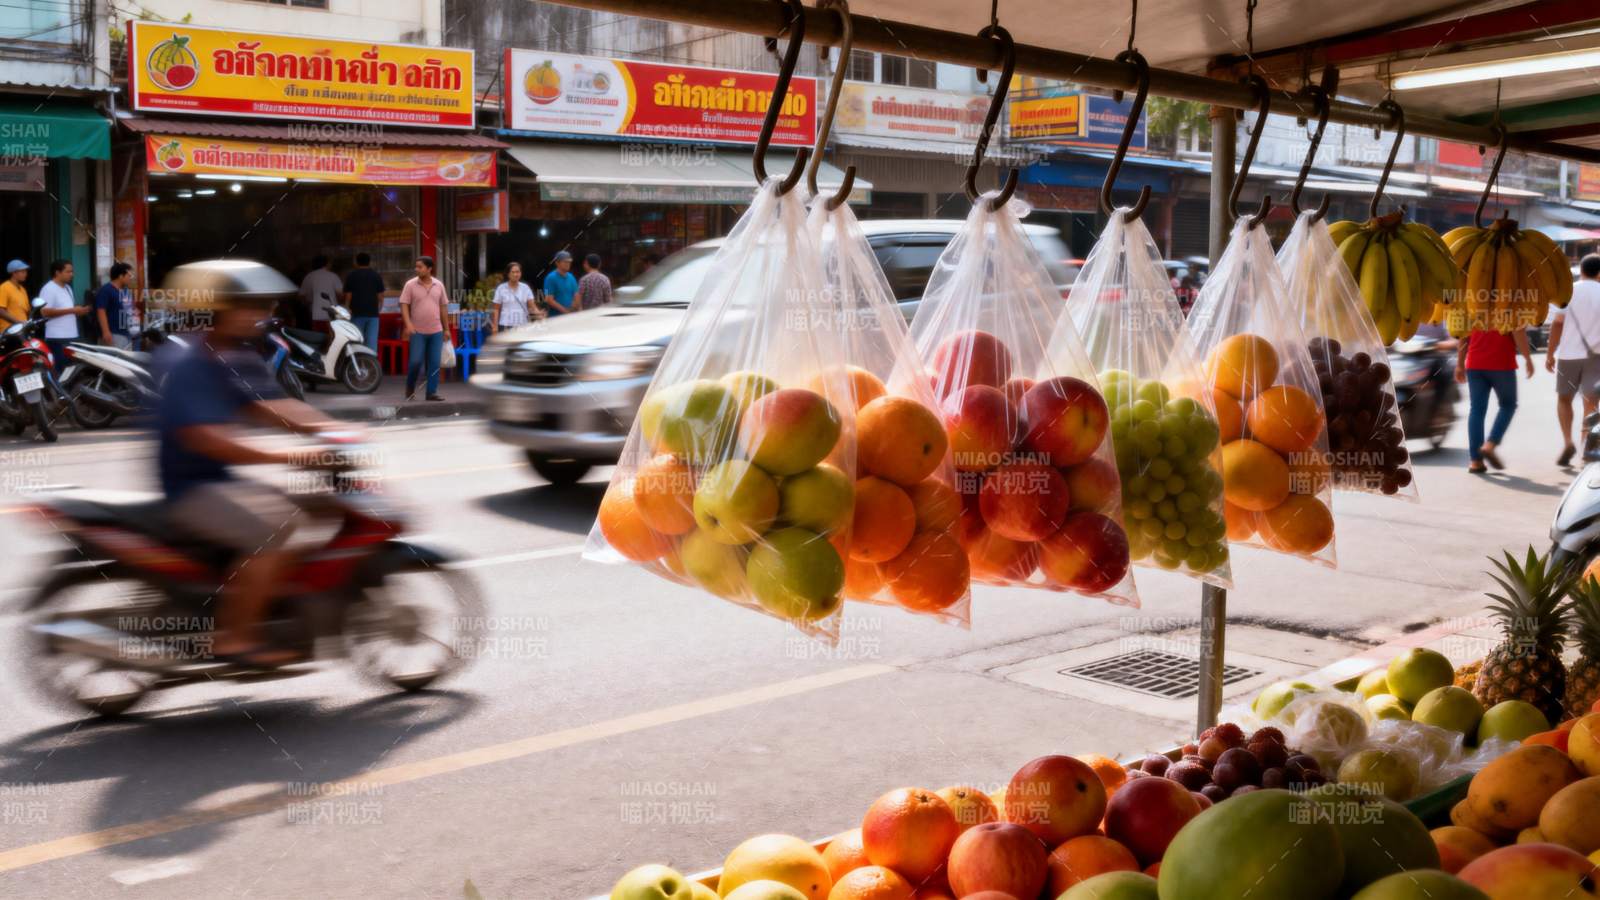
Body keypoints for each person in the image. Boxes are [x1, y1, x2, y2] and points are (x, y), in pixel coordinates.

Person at [156, 267, 344, 666]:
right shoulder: (191, 361)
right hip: (191, 489)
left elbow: (272, 408)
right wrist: (291, 456)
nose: (258, 313)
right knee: (276, 528)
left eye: (261, 305)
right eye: (248, 306)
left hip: (219, 481)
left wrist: (334, 429)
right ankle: (235, 638)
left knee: (310, 506)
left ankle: (272, 605)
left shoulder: (237, 354)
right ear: (221, 310)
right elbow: (207, 439)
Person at [1456, 326, 1535, 474]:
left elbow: (1463, 335)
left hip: (1475, 363)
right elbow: (1518, 331)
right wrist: (1528, 358)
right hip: (1502, 363)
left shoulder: (1471, 304)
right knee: (1508, 405)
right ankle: (1490, 445)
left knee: (1477, 410)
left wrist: (1460, 364)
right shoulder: (1510, 304)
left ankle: (1475, 461)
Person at [400, 256, 450, 402]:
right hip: (417, 331)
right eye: (416, 267)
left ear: (429, 269)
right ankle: (410, 387)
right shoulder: (410, 285)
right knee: (415, 361)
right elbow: (404, 304)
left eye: (420, 267)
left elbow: (443, 307)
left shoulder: (439, 285)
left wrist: (446, 329)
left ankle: (431, 393)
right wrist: (408, 324)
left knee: (434, 363)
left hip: (436, 330)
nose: (417, 269)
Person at [39, 260, 87, 367]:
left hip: (72, 335)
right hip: (57, 338)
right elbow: (45, 312)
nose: (72, 274)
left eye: (72, 272)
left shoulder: (68, 288)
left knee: (72, 370)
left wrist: (79, 311)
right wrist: (72, 310)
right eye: (68, 272)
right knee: (61, 370)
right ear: (57, 273)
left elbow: (68, 310)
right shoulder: (48, 289)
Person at [342, 252, 386, 348]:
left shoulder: (351, 275)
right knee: (372, 342)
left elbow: (348, 295)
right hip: (373, 314)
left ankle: (358, 362)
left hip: (357, 313)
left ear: (356, 263)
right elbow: (380, 296)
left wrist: (347, 307)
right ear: (369, 262)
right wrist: (379, 308)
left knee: (357, 341)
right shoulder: (376, 275)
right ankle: (370, 362)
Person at [93, 262, 136, 349]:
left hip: (126, 334)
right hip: (113, 334)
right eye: (129, 275)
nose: (131, 278)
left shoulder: (126, 290)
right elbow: (101, 311)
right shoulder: (106, 290)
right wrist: (106, 331)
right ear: (121, 276)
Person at [491, 261, 534, 333]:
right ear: (508, 274)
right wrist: (495, 326)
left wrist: (539, 313)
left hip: (522, 325)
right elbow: (496, 309)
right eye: (512, 272)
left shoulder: (525, 288)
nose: (515, 274)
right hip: (505, 325)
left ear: (520, 273)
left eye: (517, 272)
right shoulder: (501, 288)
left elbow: (532, 306)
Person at [299, 255, 342, 325]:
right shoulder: (333, 276)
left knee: (318, 334)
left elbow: (301, 296)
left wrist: (309, 305)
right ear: (327, 263)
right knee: (332, 334)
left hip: (315, 313)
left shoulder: (309, 276)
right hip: (331, 313)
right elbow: (340, 294)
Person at [542, 250, 578, 316]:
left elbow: (576, 295)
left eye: (569, 262)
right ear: (557, 263)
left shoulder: (571, 277)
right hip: (556, 318)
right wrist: (566, 311)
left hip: (571, 316)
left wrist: (574, 309)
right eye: (565, 262)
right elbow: (548, 299)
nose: (568, 264)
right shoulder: (550, 278)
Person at [1, 260, 29, 325]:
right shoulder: (4, 287)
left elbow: (25, 311)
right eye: (22, 271)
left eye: (25, 271)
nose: (25, 274)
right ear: (14, 273)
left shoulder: (23, 290)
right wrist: (17, 322)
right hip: (9, 331)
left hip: (22, 330)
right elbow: (1, 310)